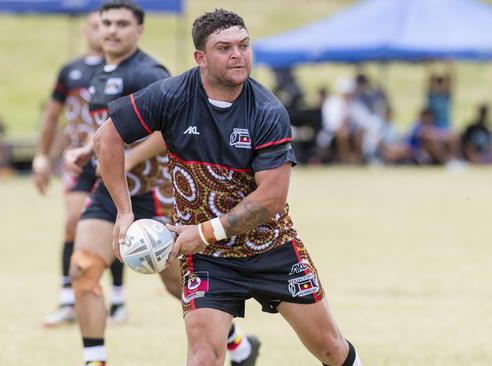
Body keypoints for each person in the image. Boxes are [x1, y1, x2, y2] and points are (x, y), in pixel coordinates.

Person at [95, 9, 361, 366]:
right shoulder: (172, 95)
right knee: (204, 357)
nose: (238, 54)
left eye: (244, 45)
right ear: (200, 58)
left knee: (331, 349)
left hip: (272, 248)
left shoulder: (267, 111)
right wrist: (124, 212)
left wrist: (203, 232)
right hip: (209, 259)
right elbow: (106, 138)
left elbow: (270, 198)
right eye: (225, 48)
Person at [65, 3, 259, 365]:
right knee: (84, 268)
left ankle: (237, 344)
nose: (111, 30)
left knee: (178, 283)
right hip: (112, 193)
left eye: (122, 24)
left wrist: (126, 160)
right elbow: (112, 132)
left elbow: (165, 130)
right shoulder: (96, 73)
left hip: (155, 192)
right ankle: (95, 360)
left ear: (139, 31)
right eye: (106, 23)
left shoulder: (148, 72)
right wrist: (85, 150)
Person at [32, 10, 129, 328]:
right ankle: (67, 299)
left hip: (113, 159)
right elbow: (52, 115)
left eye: (108, 25)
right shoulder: (70, 71)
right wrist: (42, 157)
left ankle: (117, 298)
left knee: (114, 226)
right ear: (87, 31)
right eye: (96, 25)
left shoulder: (124, 69)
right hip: (79, 160)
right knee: (73, 223)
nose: (102, 31)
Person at [425, 60, 454, 129]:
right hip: (433, 127)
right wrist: (431, 65)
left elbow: (449, 80)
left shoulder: (446, 96)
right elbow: (431, 79)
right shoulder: (432, 96)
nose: (440, 87)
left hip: (445, 126)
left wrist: (448, 65)